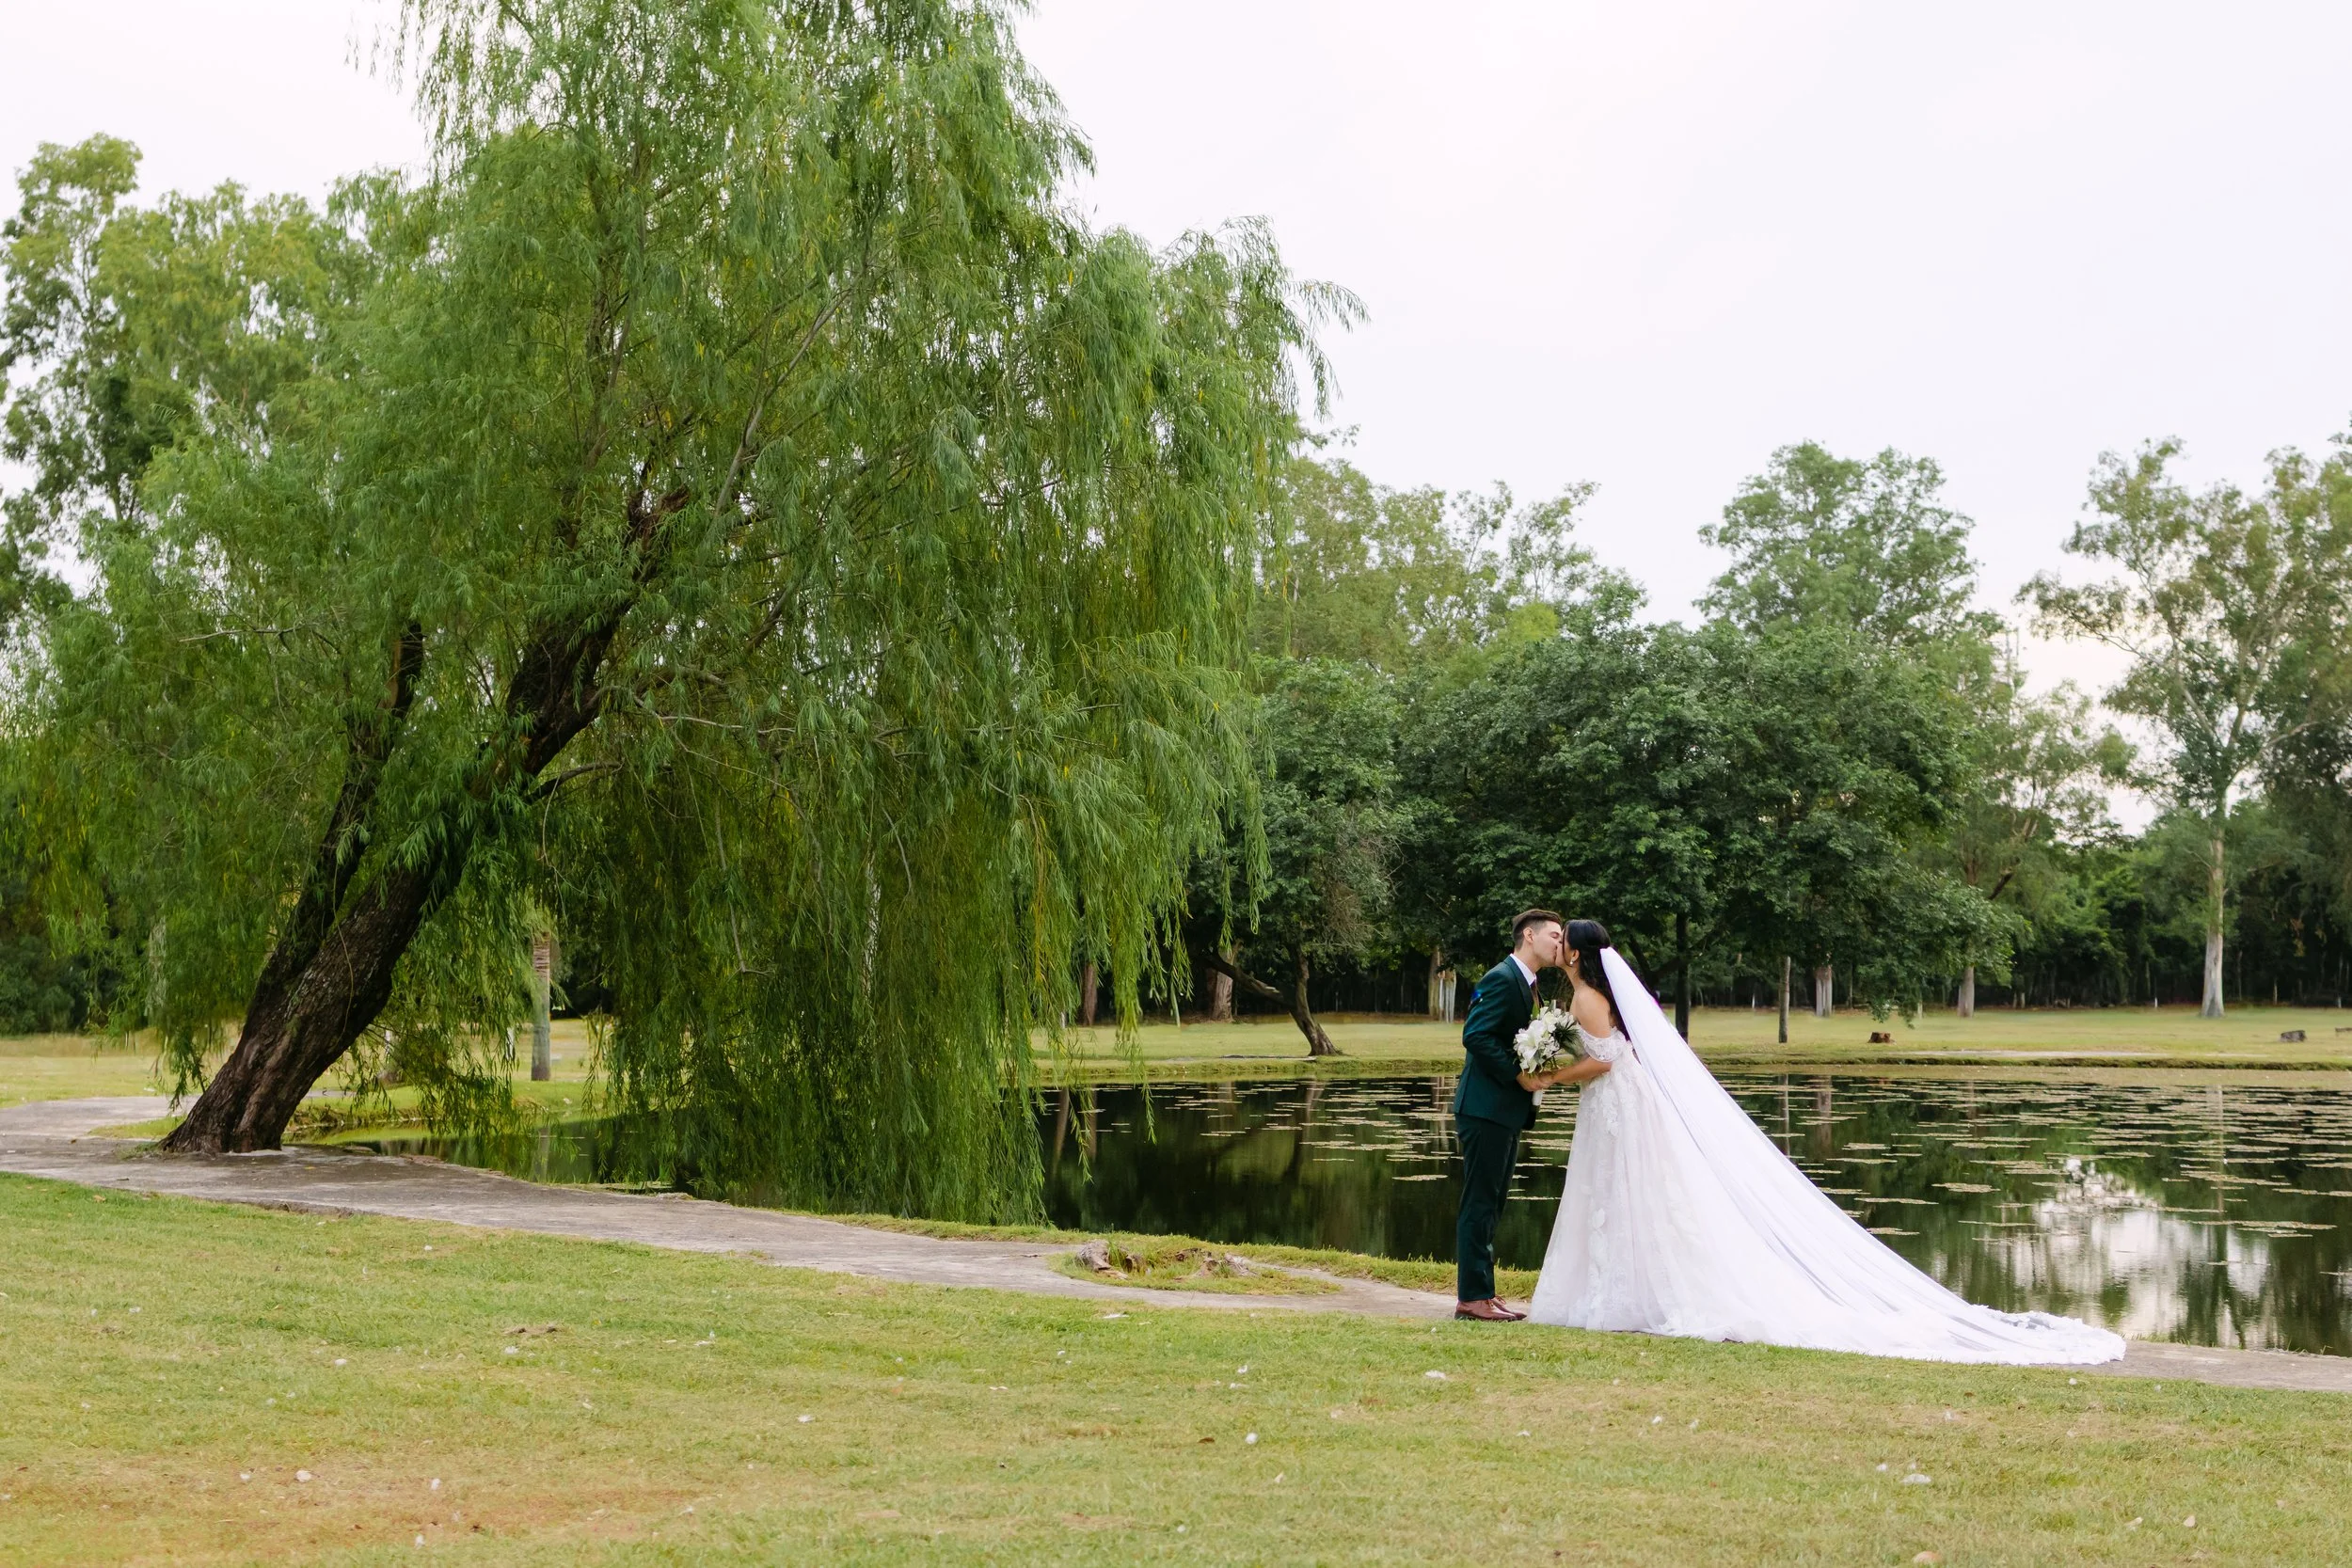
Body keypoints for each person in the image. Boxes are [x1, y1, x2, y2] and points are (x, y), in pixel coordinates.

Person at [1526, 918, 2123, 1364]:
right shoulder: (1595, 995)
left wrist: (1549, 1073)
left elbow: (1607, 1062)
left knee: (1629, 1195)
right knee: (1635, 1198)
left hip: (1618, 1107)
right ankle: (1626, 1291)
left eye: (1561, 941)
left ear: (1575, 951)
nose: (1557, 947)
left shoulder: (1584, 997)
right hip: (1623, 1108)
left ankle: (1628, 1295)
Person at [1451, 909, 1612, 1322]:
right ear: (1529, 935)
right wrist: (1518, 1074)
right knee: (1480, 1202)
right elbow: (1475, 1035)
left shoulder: (1531, 984)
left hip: (1504, 1111)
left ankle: (1484, 1292)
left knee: (1494, 1201)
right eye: (1555, 936)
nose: (1561, 944)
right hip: (1485, 1107)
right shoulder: (1502, 978)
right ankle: (1472, 1298)